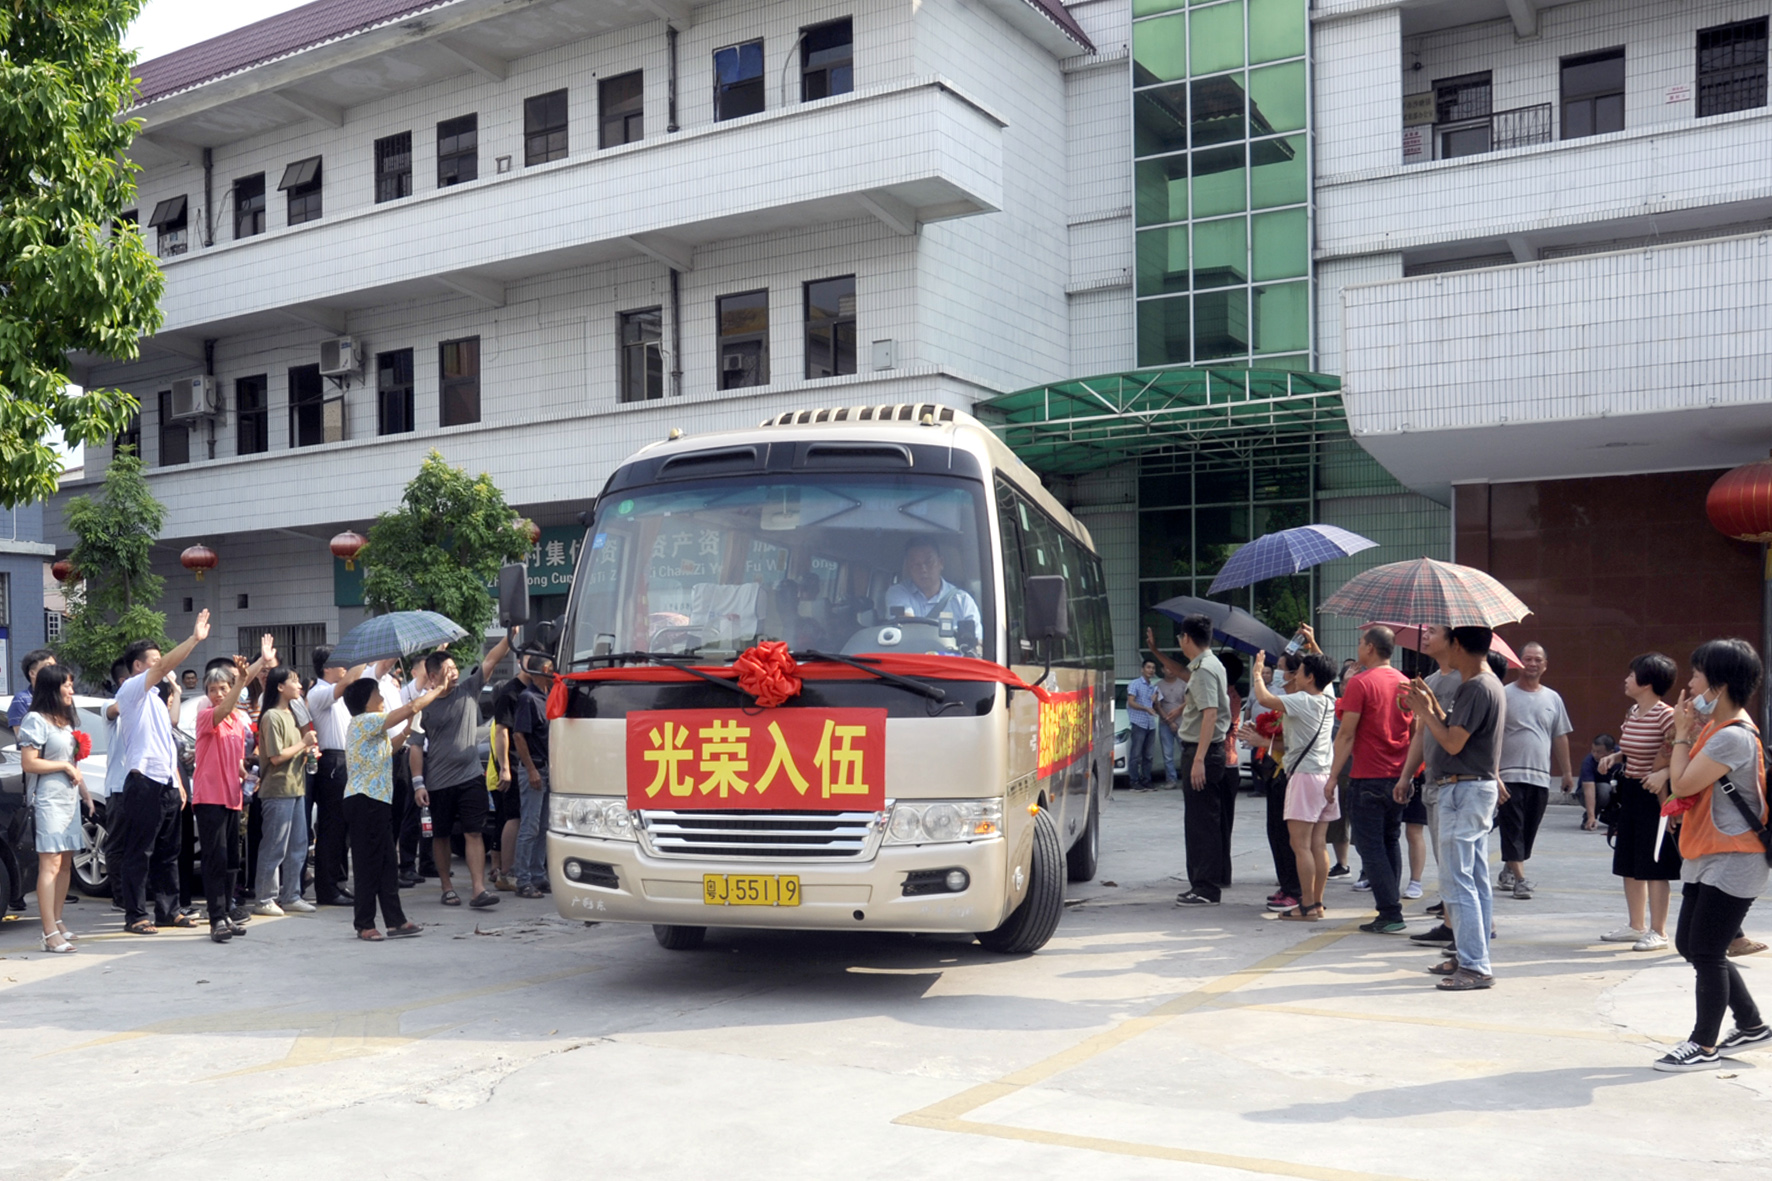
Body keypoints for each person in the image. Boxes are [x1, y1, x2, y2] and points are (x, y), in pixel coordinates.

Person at [1653, 639, 1769, 1071]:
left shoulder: (1732, 736)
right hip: (1709, 854)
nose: (1691, 684)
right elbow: (1684, 780)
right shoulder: (1717, 730)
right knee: (1692, 944)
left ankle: (1704, 1045)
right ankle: (1752, 1024)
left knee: (1705, 950)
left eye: (1698, 675)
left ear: (1719, 686)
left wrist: (1681, 734)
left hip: (1735, 857)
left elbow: (1683, 783)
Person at [1403, 625, 1506, 991]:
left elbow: (1451, 742)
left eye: (1443, 636)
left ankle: (1475, 965)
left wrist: (1424, 712)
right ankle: (1470, 955)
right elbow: (1457, 733)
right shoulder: (1484, 684)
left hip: (1464, 791)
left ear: (1457, 644)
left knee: (1457, 880)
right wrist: (1432, 705)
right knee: (1474, 878)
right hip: (1470, 790)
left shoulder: (1476, 686)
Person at [112, 612, 211, 935]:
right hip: (143, 782)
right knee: (140, 852)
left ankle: (168, 911)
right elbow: (164, 665)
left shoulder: (156, 700)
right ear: (138, 666)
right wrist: (194, 639)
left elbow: (165, 744)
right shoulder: (131, 691)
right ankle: (136, 915)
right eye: (155, 661)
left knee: (169, 853)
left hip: (166, 783)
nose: (163, 665)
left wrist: (178, 783)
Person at [342, 674, 447, 941]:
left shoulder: (370, 728)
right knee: (368, 864)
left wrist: (408, 729)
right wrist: (438, 690)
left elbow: (389, 749)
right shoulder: (365, 720)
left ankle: (395, 921)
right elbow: (411, 706)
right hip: (365, 800)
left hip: (376, 801)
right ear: (366, 701)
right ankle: (364, 923)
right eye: (377, 694)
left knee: (387, 863)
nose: (381, 698)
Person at [412, 630, 512, 909]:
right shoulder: (423, 706)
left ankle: (478, 889)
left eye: (455, 668)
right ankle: (447, 887)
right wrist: (418, 783)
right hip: (438, 783)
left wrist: (510, 636)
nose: (454, 673)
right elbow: (416, 747)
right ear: (433, 677)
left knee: (473, 832)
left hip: (470, 777)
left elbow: (490, 661)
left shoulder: (468, 690)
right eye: (448, 670)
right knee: (442, 835)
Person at [1329, 626, 1413, 934]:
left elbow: (1346, 734)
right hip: (1398, 775)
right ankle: (1392, 907)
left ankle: (1390, 911)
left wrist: (1332, 776)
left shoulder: (1361, 683)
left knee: (1371, 846)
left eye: (1361, 643)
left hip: (1367, 776)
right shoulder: (1405, 683)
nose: (1358, 647)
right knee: (1390, 840)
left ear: (1370, 648)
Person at [192, 636, 275, 943]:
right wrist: (241, 680)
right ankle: (216, 918)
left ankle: (227, 911)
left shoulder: (237, 722)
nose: (218, 694)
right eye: (212, 690)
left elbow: (236, 761)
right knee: (214, 858)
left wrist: (261, 661)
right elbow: (227, 705)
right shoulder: (207, 716)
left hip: (232, 796)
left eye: (222, 688)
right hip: (209, 796)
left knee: (230, 860)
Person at [1598, 653, 1680, 952]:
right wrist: (1616, 756)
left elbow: (1682, 755)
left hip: (1654, 796)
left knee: (1654, 863)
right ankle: (1636, 925)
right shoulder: (1633, 711)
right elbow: (1632, 748)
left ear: (1646, 682)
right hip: (1631, 791)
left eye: (1631, 675)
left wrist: (1664, 775)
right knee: (1629, 860)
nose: (1626, 679)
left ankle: (1659, 931)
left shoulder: (1667, 716)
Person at [1251, 649, 1337, 920]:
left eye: (1299, 672)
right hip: (1325, 777)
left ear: (1310, 677)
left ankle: (1306, 905)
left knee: (1300, 846)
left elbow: (1264, 698)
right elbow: (1326, 675)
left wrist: (1257, 673)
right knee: (1318, 845)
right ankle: (1317, 903)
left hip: (1304, 778)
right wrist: (1313, 644)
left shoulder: (1302, 700)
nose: (1294, 676)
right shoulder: (1329, 699)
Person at [19, 665, 91, 953]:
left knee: (65, 864)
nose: (72, 690)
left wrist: (85, 794)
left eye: (72, 684)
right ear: (52, 688)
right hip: (49, 799)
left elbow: (73, 763)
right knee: (50, 864)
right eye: (67, 685)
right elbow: (29, 762)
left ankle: (58, 920)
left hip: (69, 799)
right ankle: (48, 932)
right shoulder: (35, 719)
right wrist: (63, 766)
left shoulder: (64, 722)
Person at [1497, 642, 1575, 900]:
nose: (1532, 664)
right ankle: (1520, 881)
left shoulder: (1553, 698)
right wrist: (1494, 773)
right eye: (1527, 659)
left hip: (1540, 777)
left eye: (1537, 660)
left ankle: (1509, 869)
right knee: (1513, 827)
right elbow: (1492, 735)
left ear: (1545, 665)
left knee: (1528, 830)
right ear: (1518, 663)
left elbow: (1560, 736)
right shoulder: (1504, 694)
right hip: (1509, 775)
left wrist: (1566, 772)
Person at [1170, 615, 1230, 907]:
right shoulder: (1209, 664)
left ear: (1187, 638)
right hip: (1203, 749)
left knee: (1201, 823)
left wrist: (1199, 760)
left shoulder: (1205, 669)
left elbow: (1210, 713)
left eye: (1180, 637)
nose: (1180, 642)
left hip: (1202, 751)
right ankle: (1203, 883)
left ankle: (1206, 888)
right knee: (1203, 820)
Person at [306, 646, 371, 907]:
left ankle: (338, 882)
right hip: (332, 762)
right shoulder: (319, 692)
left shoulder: (339, 693)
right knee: (332, 827)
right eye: (341, 662)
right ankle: (327, 888)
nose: (345, 667)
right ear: (326, 668)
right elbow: (347, 680)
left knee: (344, 828)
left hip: (347, 759)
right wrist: (362, 656)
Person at [254, 667, 319, 915]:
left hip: (296, 786)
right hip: (278, 789)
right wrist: (303, 743)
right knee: (275, 846)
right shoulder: (272, 716)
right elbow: (276, 756)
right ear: (280, 687)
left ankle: (291, 894)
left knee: (298, 845)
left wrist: (307, 750)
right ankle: (264, 898)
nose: (299, 686)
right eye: (294, 681)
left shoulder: (292, 713)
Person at [511, 652, 558, 898]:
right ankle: (523, 879)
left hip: (548, 768)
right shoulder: (528, 698)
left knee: (543, 826)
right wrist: (530, 769)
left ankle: (538, 875)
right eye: (551, 669)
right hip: (535, 768)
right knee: (530, 826)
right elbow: (518, 736)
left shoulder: (549, 696)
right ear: (543, 671)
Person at [884, 539, 982, 636]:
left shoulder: (963, 601)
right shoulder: (897, 593)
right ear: (909, 568)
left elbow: (977, 640)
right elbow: (907, 625)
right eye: (916, 564)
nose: (923, 569)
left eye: (929, 562)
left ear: (941, 563)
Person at [1125, 659, 1161, 792]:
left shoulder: (1153, 687)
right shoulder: (1135, 684)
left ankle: (1146, 780)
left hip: (1150, 724)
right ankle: (1134, 781)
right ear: (1142, 669)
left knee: (1148, 755)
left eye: (1153, 668)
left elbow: (1155, 707)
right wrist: (1145, 708)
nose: (1151, 670)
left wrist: (1155, 701)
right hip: (1139, 723)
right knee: (1136, 754)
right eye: (1148, 667)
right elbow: (1131, 702)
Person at [1154, 658, 1189, 787]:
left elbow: (1188, 702)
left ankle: (1187, 779)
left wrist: (1177, 714)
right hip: (1165, 724)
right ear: (1162, 670)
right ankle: (1171, 779)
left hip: (1182, 722)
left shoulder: (1183, 684)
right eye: (1167, 668)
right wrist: (1169, 721)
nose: (1170, 670)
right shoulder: (1158, 686)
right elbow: (1157, 706)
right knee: (1167, 753)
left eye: (1172, 667)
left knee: (1185, 752)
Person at [7, 648, 57, 730]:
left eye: (55, 666)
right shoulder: (21, 700)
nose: (54, 670)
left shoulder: (61, 696)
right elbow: (21, 735)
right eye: (48, 666)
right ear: (32, 673)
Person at [1580, 734, 1619, 832]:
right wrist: (1591, 816)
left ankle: (1613, 815)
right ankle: (1590, 816)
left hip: (1615, 790)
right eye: (1593, 751)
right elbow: (1589, 790)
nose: (1595, 755)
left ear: (1611, 752)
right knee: (1604, 789)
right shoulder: (1588, 762)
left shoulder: (1620, 756)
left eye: (1599, 752)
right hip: (1590, 793)